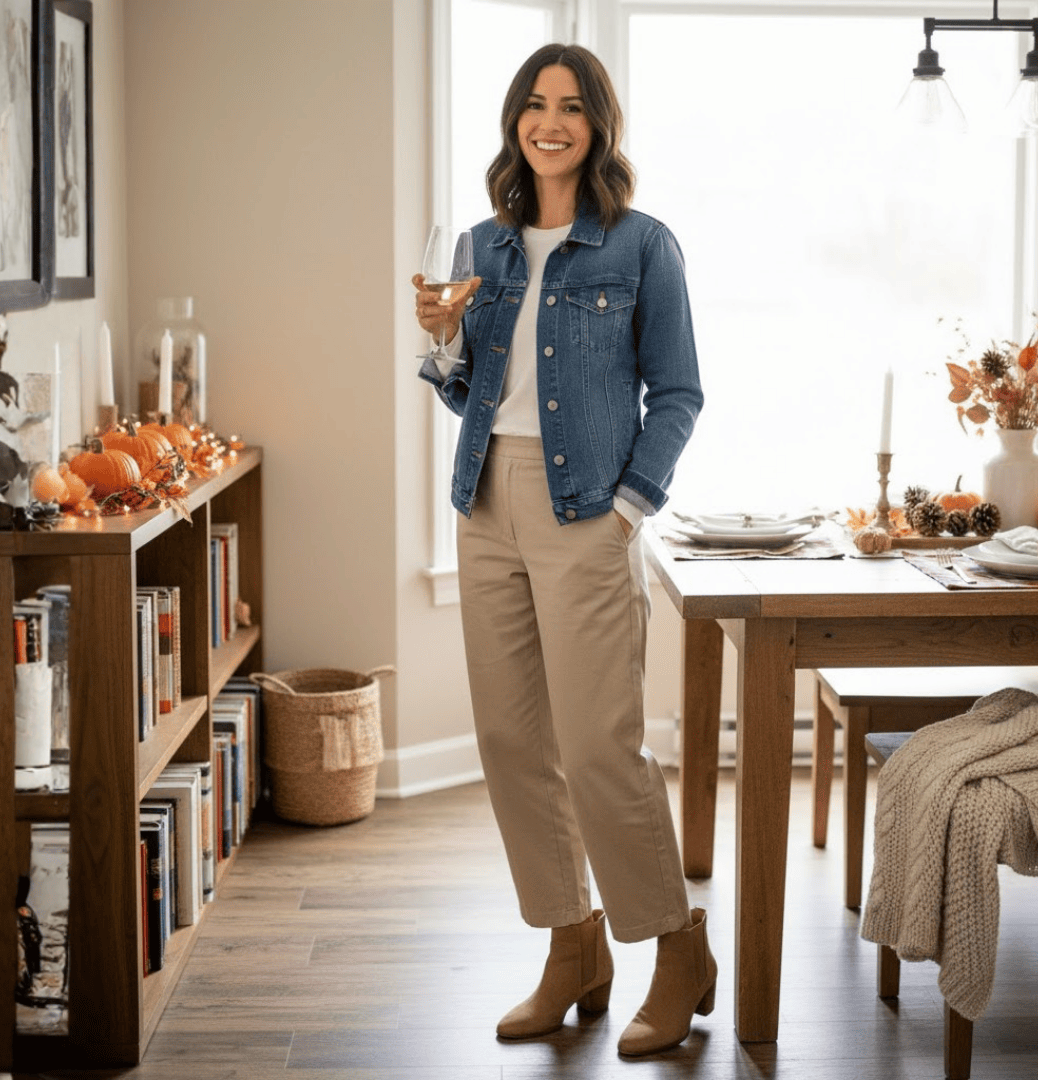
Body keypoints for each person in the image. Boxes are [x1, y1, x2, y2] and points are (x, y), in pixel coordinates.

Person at [413, 43, 710, 1057]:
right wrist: (441, 338)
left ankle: (675, 949)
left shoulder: (640, 247)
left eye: (571, 108)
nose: (551, 122)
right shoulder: (481, 245)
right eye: (535, 105)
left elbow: (678, 393)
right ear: (515, 121)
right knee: (508, 743)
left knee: (595, 749)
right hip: (485, 501)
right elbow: (465, 391)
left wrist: (629, 508)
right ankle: (572, 943)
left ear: (598, 126)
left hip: (587, 509)